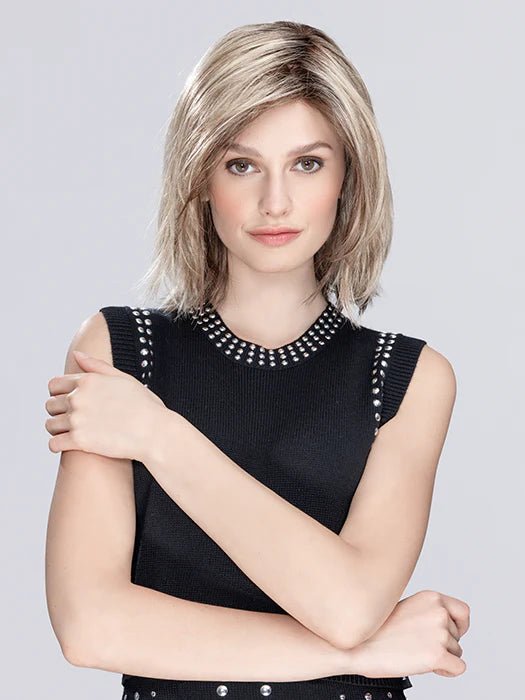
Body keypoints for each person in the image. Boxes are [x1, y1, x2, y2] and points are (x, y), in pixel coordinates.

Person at [44, 20, 469, 700]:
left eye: (308, 164)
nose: (275, 202)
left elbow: (349, 606)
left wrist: (158, 435)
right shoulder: (118, 353)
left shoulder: (407, 379)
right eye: (241, 165)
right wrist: (366, 652)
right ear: (200, 177)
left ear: (348, 176)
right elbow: (89, 627)